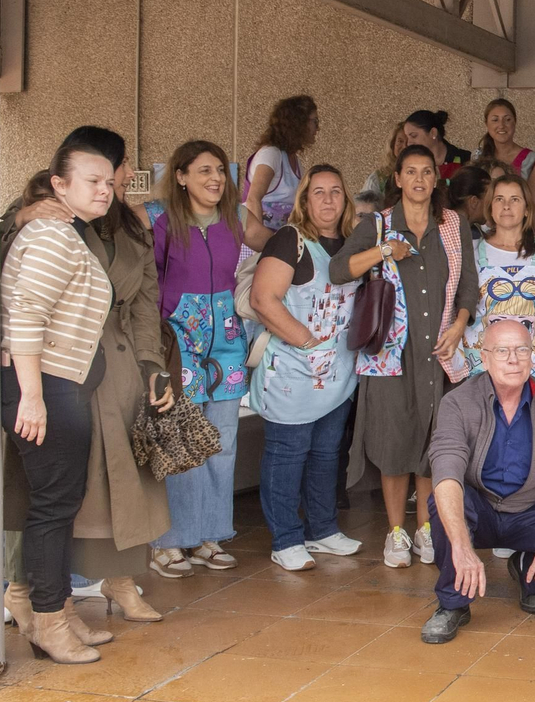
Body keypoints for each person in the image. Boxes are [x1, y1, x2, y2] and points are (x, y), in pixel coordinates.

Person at [1, 126, 172, 628]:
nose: (111, 181)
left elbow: (144, 304)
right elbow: (16, 286)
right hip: (58, 364)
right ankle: (31, 593)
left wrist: (153, 367)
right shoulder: (42, 215)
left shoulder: (130, 222)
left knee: (125, 483)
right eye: (101, 172)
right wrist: (20, 215)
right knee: (51, 492)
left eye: (114, 171)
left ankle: (120, 581)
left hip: (118, 366)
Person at [330, 143, 478, 570]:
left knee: (435, 441)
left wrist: (459, 324)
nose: (418, 180)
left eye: (426, 172)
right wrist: (383, 251)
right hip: (390, 356)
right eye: (410, 172)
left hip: (438, 352)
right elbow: (338, 270)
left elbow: (469, 283)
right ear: (397, 179)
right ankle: (396, 531)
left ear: (436, 179)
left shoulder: (453, 225)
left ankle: (426, 528)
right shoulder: (376, 226)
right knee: (395, 439)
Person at [0, 137, 119, 663]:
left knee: (58, 503)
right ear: (59, 184)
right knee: (54, 506)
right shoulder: (51, 234)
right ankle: (48, 622)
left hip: (55, 381)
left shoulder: (70, 234)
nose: (105, 190)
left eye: (110, 182)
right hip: (45, 382)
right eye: (93, 181)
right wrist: (32, 397)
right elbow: (25, 315)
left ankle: (54, 608)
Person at [420, 320, 535, 641]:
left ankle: (531, 574)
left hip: (530, 511)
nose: (513, 359)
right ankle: (453, 603)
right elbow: (446, 472)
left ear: (533, 357)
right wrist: (461, 546)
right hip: (481, 509)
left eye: (521, 350)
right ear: (484, 358)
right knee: (443, 502)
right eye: (502, 351)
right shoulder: (458, 403)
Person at [248, 165, 364, 571]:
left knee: (326, 453)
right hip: (294, 371)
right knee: (287, 453)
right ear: (304, 200)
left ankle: (322, 529)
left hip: (338, 374)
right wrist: (307, 341)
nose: (328, 200)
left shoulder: (353, 244)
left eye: (336, 191)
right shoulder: (289, 240)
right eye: (319, 192)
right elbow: (264, 300)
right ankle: (286, 538)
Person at [146, 141, 250, 578]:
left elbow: (286, 238)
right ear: (181, 176)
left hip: (227, 339)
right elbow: (146, 282)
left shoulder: (237, 219)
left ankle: (210, 534)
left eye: (220, 171)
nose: (214, 179)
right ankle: (169, 540)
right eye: (203, 171)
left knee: (222, 442)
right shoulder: (158, 220)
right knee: (178, 440)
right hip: (178, 341)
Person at [463, 172, 535, 387]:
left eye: (515, 199)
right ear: (490, 208)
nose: (506, 206)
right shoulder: (472, 250)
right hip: (483, 363)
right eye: (499, 199)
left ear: (527, 209)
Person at [242, 94, 320, 250]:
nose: (317, 128)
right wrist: (260, 244)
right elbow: (253, 199)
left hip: (279, 243)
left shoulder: (294, 161)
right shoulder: (271, 154)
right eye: (315, 121)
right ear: (299, 123)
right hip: (261, 246)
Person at [477, 97, 535, 178]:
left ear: (515, 122)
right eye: (495, 120)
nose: (501, 125)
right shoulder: (478, 156)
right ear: (486, 123)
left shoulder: (529, 159)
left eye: (507, 119)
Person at [402, 109, 472, 179]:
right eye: (407, 137)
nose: (409, 143)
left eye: (414, 136)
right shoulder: (410, 164)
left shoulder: (466, 161)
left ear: (433, 132)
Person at [363, 122, 409, 205]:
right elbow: (365, 210)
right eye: (400, 141)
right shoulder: (378, 179)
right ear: (393, 144)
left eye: (409, 142)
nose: (405, 146)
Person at [447, 164, 492, 238]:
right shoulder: (446, 235)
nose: (491, 205)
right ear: (474, 201)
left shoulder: (476, 233)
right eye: (488, 199)